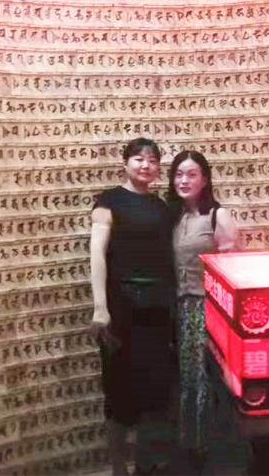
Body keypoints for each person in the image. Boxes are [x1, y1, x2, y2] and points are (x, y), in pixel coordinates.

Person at [90, 138, 175, 476]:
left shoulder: (161, 207)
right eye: (138, 158)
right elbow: (97, 254)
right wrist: (100, 307)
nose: (145, 165)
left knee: (153, 392)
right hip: (121, 309)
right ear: (125, 163)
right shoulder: (108, 201)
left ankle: (144, 465)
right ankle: (117, 467)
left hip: (157, 310)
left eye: (152, 160)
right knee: (119, 393)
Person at [167, 150, 243, 474]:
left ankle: (209, 451)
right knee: (187, 378)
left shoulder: (217, 216)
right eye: (178, 174)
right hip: (180, 308)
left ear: (205, 179)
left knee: (204, 380)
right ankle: (190, 445)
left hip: (208, 308)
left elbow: (233, 268)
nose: (184, 180)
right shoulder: (174, 216)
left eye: (191, 174)